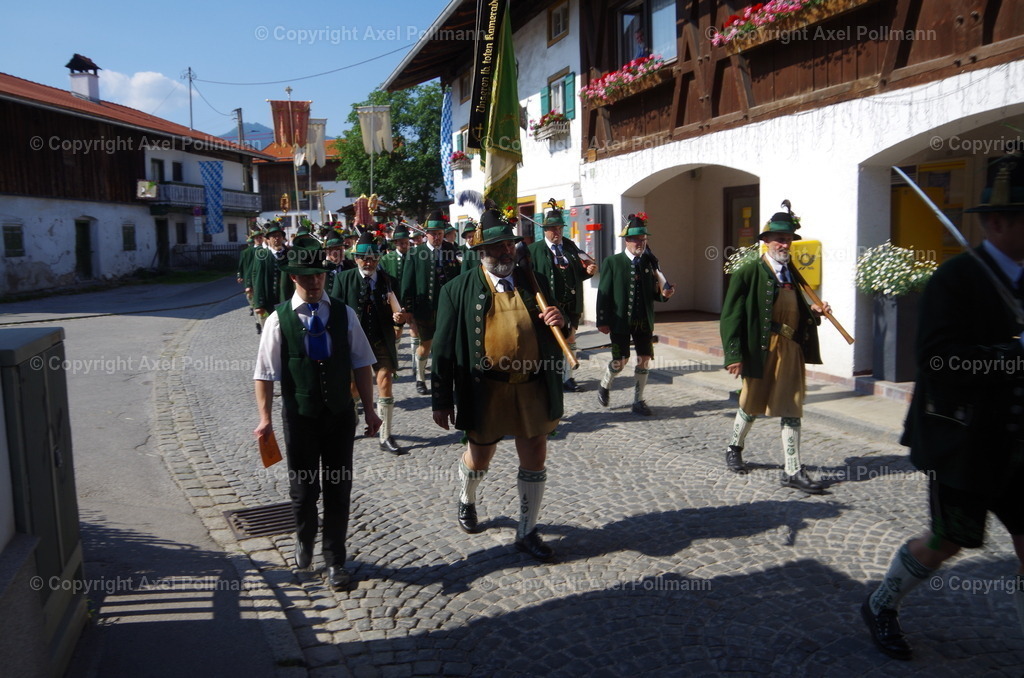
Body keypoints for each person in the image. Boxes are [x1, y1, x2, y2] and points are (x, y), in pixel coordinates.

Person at [861, 154, 1024, 660]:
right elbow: (937, 361)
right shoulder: (956, 279)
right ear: (997, 222)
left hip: (1021, 444)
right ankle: (881, 603)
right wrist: (1014, 354)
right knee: (948, 541)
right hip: (967, 443)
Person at [431, 209, 566, 561]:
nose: (505, 252)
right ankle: (467, 499)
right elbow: (443, 349)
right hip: (486, 389)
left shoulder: (531, 281)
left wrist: (560, 319)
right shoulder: (456, 290)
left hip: (532, 384)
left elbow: (555, 330)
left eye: (509, 244)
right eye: (497, 247)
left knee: (535, 453)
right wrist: (441, 398)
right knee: (480, 456)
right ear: (481, 252)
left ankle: (527, 530)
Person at [253, 241, 381, 591]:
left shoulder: (344, 314)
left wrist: (369, 410)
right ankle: (304, 537)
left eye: (320, 275)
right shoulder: (278, 320)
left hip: (340, 416)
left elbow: (362, 363)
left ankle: (335, 560)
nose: (315, 283)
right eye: (308, 277)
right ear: (294, 276)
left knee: (339, 488)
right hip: (300, 417)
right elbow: (264, 374)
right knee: (304, 489)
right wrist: (264, 418)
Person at [719, 206, 831, 494]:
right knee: (751, 402)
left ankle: (792, 470)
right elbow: (731, 316)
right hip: (761, 347)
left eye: (788, 239)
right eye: (778, 239)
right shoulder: (748, 272)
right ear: (766, 241)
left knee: (791, 405)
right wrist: (734, 355)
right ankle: (734, 446)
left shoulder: (793, 274)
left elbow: (796, 310)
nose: (784, 244)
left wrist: (815, 311)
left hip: (791, 348)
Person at [333, 232, 407, 454]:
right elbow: (335, 312)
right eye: (364, 258)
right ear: (356, 259)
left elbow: (399, 311)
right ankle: (355, 412)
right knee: (354, 388)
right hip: (354, 342)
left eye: (374, 258)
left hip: (381, 339)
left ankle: (386, 436)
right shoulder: (343, 279)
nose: (369, 262)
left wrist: (399, 322)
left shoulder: (388, 280)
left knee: (385, 380)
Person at [595, 213, 675, 415]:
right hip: (620, 320)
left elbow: (654, 294)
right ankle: (606, 383)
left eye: (644, 239)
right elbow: (603, 294)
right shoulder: (613, 262)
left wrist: (665, 293)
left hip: (643, 320)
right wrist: (602, 320)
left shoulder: (648, 263)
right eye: (638, 239)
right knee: (620, 360)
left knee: (644, 358)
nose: (641, 243)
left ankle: (638, 400)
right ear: (627, 240)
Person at [529, 205, 598, 392]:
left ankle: (568, 377)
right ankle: (548, 376)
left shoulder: (570, 247)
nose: (557, 232)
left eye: (559, 228)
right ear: (545, 230)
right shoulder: (534, 250)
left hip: (571, 305)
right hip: (549, 306)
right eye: (553, 229)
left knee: (570, 339)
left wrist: (588, 271)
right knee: (548, 343)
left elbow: (578, 273)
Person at [400, 211, 462, 395]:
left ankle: (445, 379)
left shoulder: (451, 249)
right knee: (425, 344)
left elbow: (459, 276)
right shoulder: (415, 253)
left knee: (447, 345)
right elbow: (407, 283)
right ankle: (420, 378)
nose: (437, 237)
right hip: (424, 308)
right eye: (433, 233)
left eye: (440, 234)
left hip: (448, 308)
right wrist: (409, 310)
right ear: (426, 234)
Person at [380, 223, 417, 363]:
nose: (404, 245)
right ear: (395, 243)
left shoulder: (415, 256)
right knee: (397, 331)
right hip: (395, 300)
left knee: (415, 329)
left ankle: (415, 362)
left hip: (412, 299)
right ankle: (394, 358)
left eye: (406, 242)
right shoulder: (386, 259)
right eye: (401, 242)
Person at [250, 219, 294, 327]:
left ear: (283, 238)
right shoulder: (262, 256)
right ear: (268, 239)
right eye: (273, 236)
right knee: (271, 329)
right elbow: (258, 280)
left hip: (288, 299)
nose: (276, 239)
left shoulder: (291, 254)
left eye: (279, 235)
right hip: (269, 300)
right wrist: (259, 303)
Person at [237, 229, 264, 335]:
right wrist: (242, 277)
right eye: (256, 238)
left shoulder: (266, 250)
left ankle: (263, 323)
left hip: (263, 281)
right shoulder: (248, 252)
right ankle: (258, 322)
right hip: (252, 281)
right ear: (253, 240)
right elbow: (245, 266)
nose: (259, 239)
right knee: (254, 301)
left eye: (260, 237)